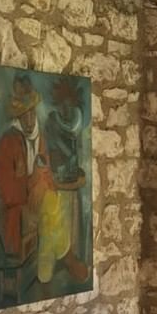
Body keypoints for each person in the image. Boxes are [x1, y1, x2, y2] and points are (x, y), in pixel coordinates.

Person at [0, 73, 51, 262]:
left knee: (58, 205)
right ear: (18, 117)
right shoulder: (8, 141)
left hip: (39, 201)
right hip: (17, 210)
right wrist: (32, 185)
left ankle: (51, 259)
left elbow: (48, 173)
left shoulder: (40, 139)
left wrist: (41, 185)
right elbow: (7, 192)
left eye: (32, 113)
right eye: (24, 115)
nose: (29, 120)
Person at [39, 78, 90, 284]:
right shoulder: (52, 122)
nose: (65, 108)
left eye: (68, 104)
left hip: (68, 181)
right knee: (57, 223)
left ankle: (66, 260)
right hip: (57, 182)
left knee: (70, 225)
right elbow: (52, 152)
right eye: (62, 104)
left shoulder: (74, 120)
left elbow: (73, 145)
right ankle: (57, 263)